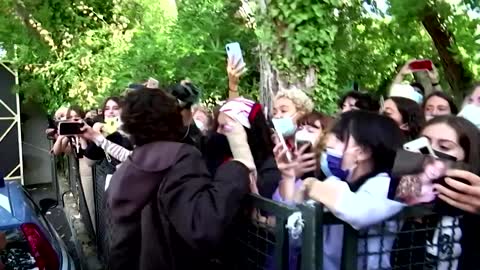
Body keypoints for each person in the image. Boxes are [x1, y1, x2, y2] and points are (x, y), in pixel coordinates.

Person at [107, 87, 255, 270]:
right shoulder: (180, 156)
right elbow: (202, 224)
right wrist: (237, 166)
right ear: (173, 118)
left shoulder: (129, 165)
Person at [273, 110, 405, 269]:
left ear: (362, 152)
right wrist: (289, 177)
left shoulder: (389, 185)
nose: (329, 144)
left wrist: (310, 185)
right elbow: (296, 239)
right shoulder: (332, 183)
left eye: (340, 139)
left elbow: (357, 211)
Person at [392, 116, 480, 270]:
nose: (430, 153)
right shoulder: (412, 203)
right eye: (424, 143)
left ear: (468, 156)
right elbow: (399, 260)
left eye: (444, 147)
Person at [202, 98, 280, 198]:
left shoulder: (269, 167)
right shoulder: (214, 157)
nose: (218, 132)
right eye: (217, 126)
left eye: (223, 127)